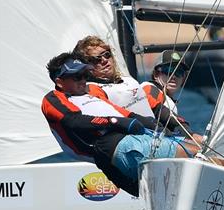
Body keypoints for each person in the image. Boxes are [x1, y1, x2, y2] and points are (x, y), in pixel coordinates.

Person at [41, 53, 200, 196]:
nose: (83, 80)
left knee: (195, 152)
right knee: (199, 154)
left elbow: (126, 114)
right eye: (76, 77)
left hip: (126, 143)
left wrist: (159, 128)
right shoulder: (53, 98)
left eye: (84, 74)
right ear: (59, 82)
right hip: (112, 145)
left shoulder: (91, 94)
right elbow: (74, 121)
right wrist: (115, 122)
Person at [73, 35, 197, 139]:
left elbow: (156, 107)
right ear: (85, 66)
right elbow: (115, 115)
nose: (104, 60)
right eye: (96, 59)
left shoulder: (129, 81)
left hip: (158, 136)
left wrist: (185, 130)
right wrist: (151, 126)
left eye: (107, 55)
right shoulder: (92, 89)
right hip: (137, 141)